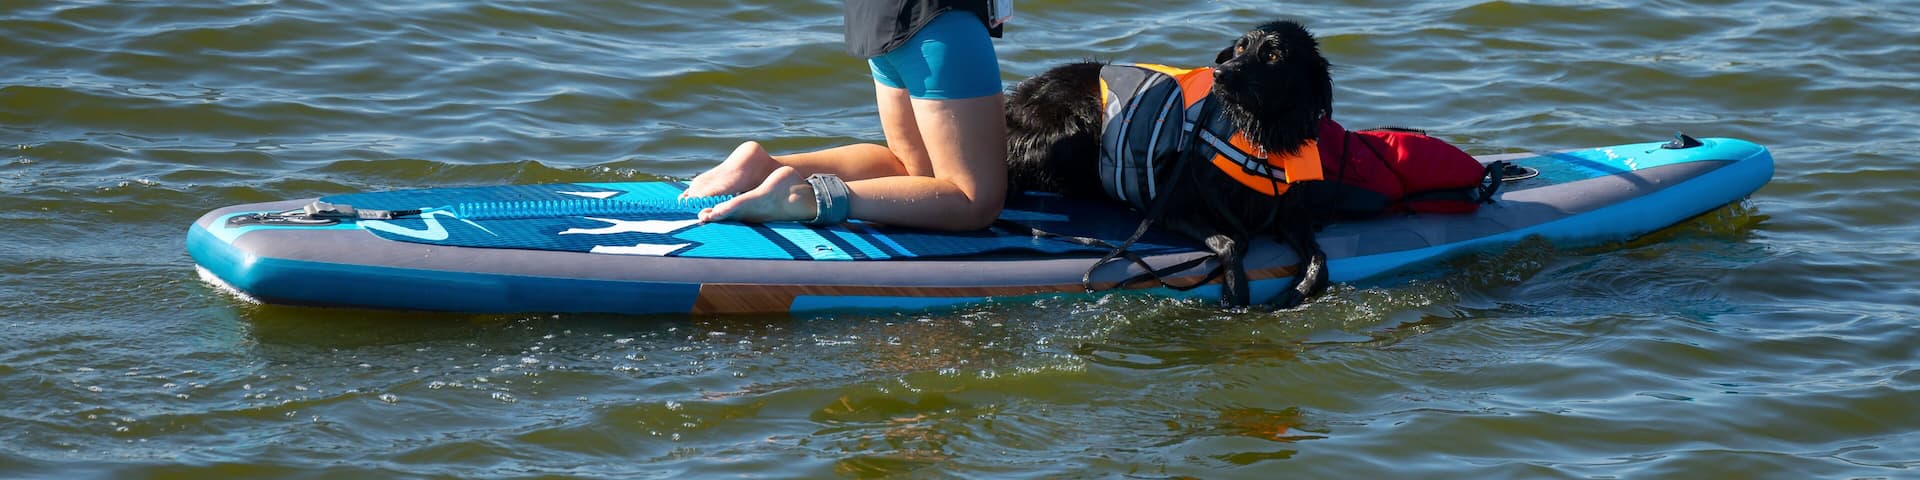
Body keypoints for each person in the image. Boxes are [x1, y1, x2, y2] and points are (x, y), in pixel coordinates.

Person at [681, 0, 1009, 231]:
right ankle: (804, 196)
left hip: (879, 15)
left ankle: (765, 167)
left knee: (916, 176)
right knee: (974, 202)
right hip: (942, 22)